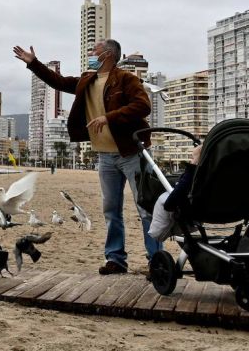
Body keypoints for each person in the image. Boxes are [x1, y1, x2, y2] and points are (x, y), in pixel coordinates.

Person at [13, 39, 161, 275]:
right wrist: (34, 64)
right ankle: (116, 260)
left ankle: (157, 261)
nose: (91, 54)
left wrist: (109, 117)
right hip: (105, 157)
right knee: (111, 210)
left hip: (133, 154)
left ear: (108, 55)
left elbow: (143, 106)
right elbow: (58, 82)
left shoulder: (126, 79)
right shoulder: (87, 79)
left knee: (146, 208)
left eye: (95, 51)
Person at [149, 144, 201, 241]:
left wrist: (191, 167)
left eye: (192, 158)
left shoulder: (192, 173)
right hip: (224, 212)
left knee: (164, 199)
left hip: (192, 211)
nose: (190, 160)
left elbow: (170, 204)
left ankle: (155, 234)